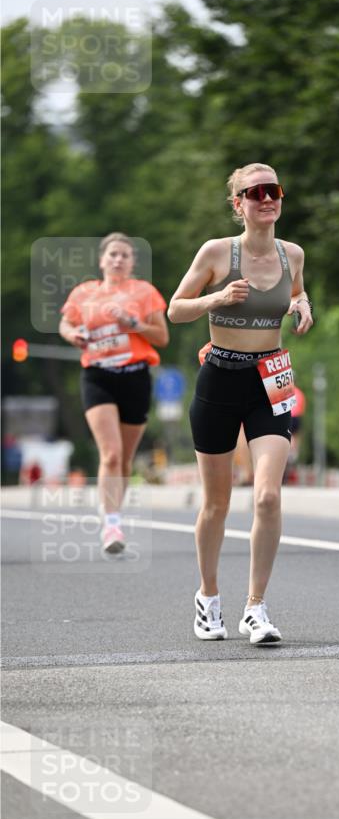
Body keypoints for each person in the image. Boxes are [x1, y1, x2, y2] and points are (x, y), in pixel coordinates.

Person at [168, 162, 313, 643]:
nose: (267, 198)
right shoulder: (216, 252)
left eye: (274, 190)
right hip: (220, 377)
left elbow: (294, 291)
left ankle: (256, 607)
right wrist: (216, 299)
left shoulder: (293, 254)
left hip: (271, 378)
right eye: (255, 193)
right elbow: (175, 308)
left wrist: (303, 304)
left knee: (268, 495)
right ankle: (208, 598)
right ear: (239, 204)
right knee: (216, 503)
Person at [59, 232, 169, 554]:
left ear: (133, 262)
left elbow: (162, 336)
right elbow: (66, 324)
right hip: (98, 376)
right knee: (110, 453)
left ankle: (113, 510)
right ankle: (111, 525)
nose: (118, 259)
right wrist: (74, 334)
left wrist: (134, 322)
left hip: (134, 376)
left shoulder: (144, 292)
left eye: (124, 255)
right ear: (101, 260)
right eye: (113, 254)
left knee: (124, 459)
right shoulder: (84, 293)